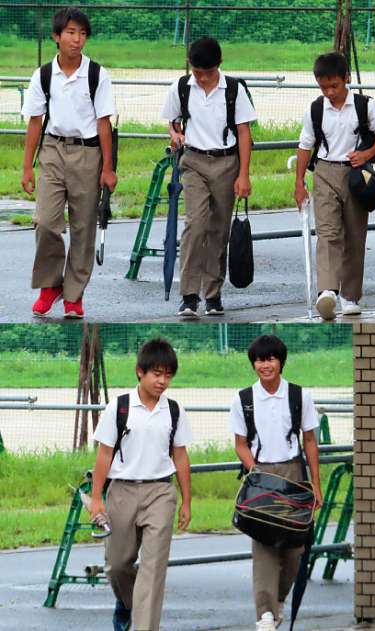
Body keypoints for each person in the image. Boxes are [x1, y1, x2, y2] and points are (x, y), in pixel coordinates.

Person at [90, 338, 192, 631]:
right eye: (156, 374)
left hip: (160, 492)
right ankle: (127, 602)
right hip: (122, 491)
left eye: (168, 375)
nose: (162, 381)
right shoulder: (119, 407)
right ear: (140, 372)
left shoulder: (174, 410)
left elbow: (181, 456)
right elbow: (104, 455)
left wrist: (187, 501)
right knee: (117, 566)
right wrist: (96, 498)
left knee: (153, 568)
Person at [21, 7, 117, 319]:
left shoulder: (97, 75)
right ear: (56, 36)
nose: (77, 40)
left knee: (83, 227)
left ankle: (74, 295)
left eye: (83, 34)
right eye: (71, 33)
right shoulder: (43, 75)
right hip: (52, 149)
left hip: (88, 153)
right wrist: (26, 167)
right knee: (45, 221)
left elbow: (104, 123)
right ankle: (50, 285)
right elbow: (35, 121)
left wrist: (108, 168)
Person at [229, 334, 322, 631]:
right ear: (253, 364)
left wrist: (315, 485)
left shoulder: (300, 396)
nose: (265, 365)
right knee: (264, 545)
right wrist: (255, 471)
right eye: (259, 360)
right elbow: (240, 444)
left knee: (294, 549)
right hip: (261, 477)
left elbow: (310, 441)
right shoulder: (243, 399)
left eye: (270, 359)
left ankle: (279, 599)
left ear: (281, 362)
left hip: (294, 475)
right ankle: (265, 615)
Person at [161, 37, 256, 319]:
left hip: (227, 163)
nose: (202, 78)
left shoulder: (234, 90)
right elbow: (172, 122)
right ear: (190, 65)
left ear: (219, 65)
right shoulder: (181, 87)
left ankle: (213, 295)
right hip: (193, 162)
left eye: (208, 72)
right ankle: (189, 296)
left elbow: (244, 133)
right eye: (197, 72)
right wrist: (175, 135)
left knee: (219, 230)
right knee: (196, 224)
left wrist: (244, 175)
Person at [294, 52, 375, 320]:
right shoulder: (315, 110)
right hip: (324, 172)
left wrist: (367, 154)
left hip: (357, 175)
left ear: (346, 78)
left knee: (354, 236)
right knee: (327, 233)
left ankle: (350, 296)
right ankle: (327, 292)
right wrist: (299, 183)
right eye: (323, 87)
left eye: (334, 86)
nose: (329, 92)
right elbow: (304, 146)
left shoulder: (365, 106)